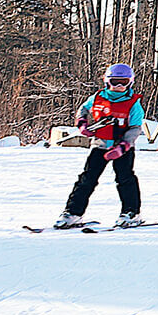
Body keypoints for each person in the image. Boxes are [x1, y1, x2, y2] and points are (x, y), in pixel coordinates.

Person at [55, 63, 146, 229]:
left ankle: (131, 212)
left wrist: (122, 147)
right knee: (87, 179)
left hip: (122, 148)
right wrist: (82, 123)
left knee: (125, 179)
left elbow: (135, 128)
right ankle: (73, 212)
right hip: (100, 145)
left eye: (124, 82)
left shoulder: (133, 104)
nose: (119, 86)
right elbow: (83, 109)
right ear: (107, 82)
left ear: (130, 83)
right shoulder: (97, 98)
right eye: (115, 82)